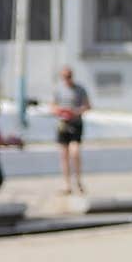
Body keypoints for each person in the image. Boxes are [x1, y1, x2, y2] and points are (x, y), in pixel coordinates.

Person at [52, 65, 91, 194]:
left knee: (75, 152)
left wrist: (75, 112)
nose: (67, 79)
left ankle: (78, 180)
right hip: (63, 124)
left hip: (76, 123)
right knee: (64, 155)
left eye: (68, 76)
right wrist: (59, 111)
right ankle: (66, 183)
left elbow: (87, 105)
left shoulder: (80, 89)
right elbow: (53, 106)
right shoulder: (59, 90)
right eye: (64, 77)